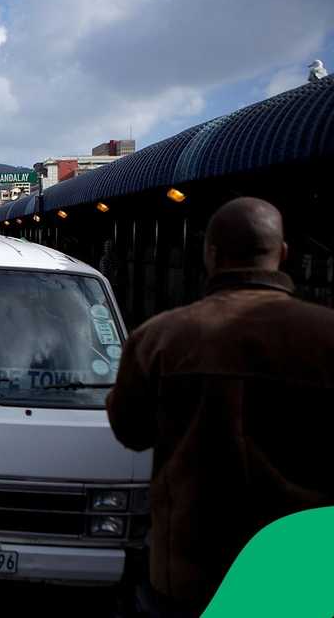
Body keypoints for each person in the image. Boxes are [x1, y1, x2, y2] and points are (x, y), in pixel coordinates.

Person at [106, 197, 334, 617]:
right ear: (283, 253)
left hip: (186, 576)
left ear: (209, 253)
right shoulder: (326, 337)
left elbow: (129, 430)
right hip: (305, 577)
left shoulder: (159, 338)